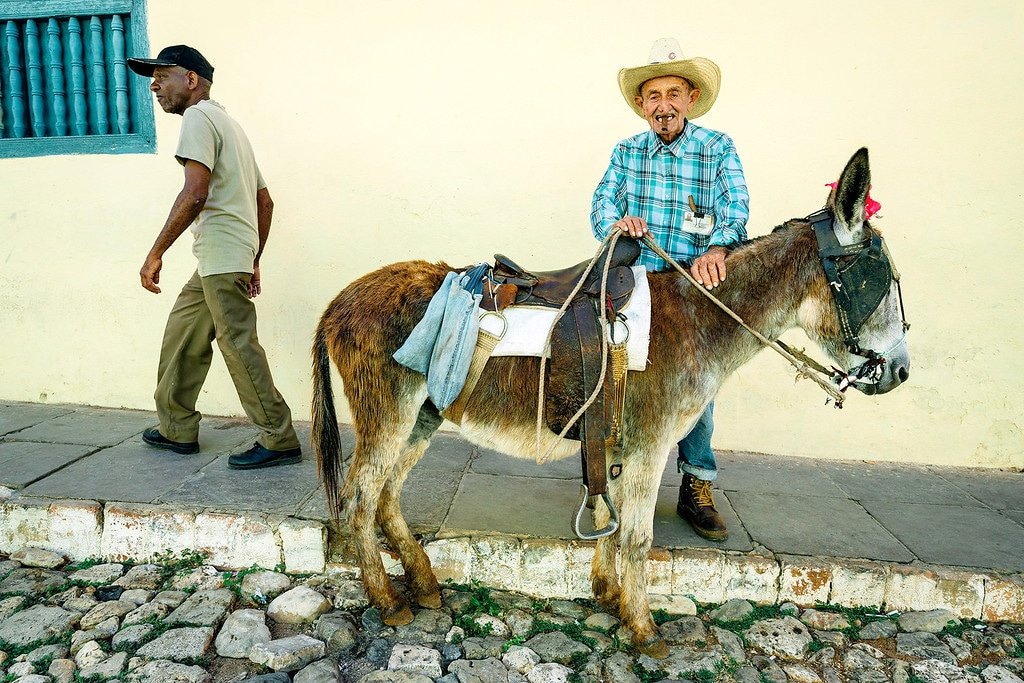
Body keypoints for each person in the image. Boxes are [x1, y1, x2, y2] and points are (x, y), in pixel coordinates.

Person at [590, 38, 750, 540]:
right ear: (643, 104)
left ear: (691, 97)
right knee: (617, 370)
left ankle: (696, 485)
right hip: (635, 282)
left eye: (673, 93)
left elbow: (736, 206)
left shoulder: (717, 148)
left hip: (693, 285)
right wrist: (617, 224)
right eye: (653, 95)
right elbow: (599, 206)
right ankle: (613, 474)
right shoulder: (626, 152)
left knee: (697, 385)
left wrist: (718, 248)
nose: (663, 105)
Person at [128, 45, 302, 470]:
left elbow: (195, 192)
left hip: (223, 256)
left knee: (238, 343)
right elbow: (265, 201)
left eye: (162, 75)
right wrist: (254, 255)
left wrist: (155, 253)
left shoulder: (198, 117)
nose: (154, 84)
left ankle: (278, 438)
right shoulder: (230, 125)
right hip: (222, 255)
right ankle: (176, 427)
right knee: (183, 333)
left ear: (191, 79)